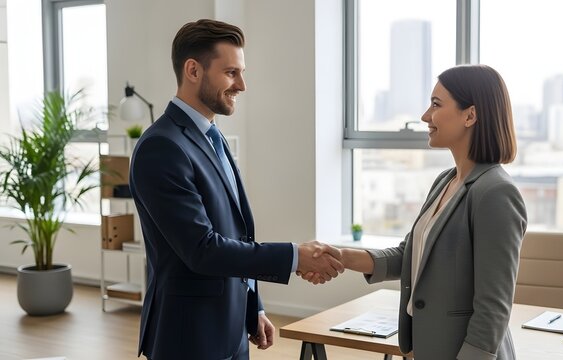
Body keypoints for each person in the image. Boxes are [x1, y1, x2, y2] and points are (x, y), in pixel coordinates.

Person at [129, 19, 343, 360]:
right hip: (189, 338)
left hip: (230, 329)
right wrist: (295, 256)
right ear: (193, 70)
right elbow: (202, 249)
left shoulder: (213, 138)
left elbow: (236, 233)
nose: (242, 85)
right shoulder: (162, 147)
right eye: (231, 72)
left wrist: (253, 306)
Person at [311, 64, 527, 359]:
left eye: (436, 105)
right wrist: (341, 257)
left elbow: (494, 306)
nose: (426, 116)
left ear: (470, 115)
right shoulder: (445, 181)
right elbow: (410, 256)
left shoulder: (495, 192)